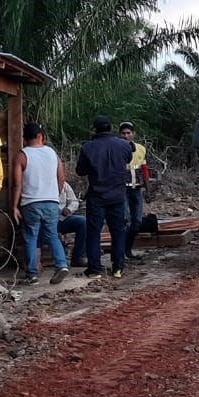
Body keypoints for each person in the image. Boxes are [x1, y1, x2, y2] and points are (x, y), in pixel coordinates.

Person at [75, 115, 133, 279]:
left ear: (95, 129)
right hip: (117, 195)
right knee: (118, 231)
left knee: (94, 232)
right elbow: (128, 159)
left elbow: (81, 171)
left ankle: (95, 269)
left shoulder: (88, 147)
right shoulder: (123, 145)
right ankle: (118, 267)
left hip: (97, 196)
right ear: (111, 128)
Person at [11, 123, 69, 285]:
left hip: (30, 203)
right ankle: (61, 264)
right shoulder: (52, 153)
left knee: (30, 237)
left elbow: (17, 184)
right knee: (52, 235)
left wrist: (15, 206)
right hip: (51, 202)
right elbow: (62, 178)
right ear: (40, 136)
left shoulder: (22, 156)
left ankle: (32, 274)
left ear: (25, 138)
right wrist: (54, 195)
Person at [118, 121, 151, 258]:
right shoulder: (116, 148)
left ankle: (128, 249)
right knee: (124, 220)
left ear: (133, 134)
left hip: (136, 189)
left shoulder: (140, 149)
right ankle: (121, 252)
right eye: (123, 133)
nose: (126, 136)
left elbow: (144, 170)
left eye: (128, 133)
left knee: (137, 221)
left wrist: (148, 189)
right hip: (122, 189)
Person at [40, 180, 87, 268]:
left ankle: (78, 257)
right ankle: (58, 261)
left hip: (62, 219)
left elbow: (74, 201)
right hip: (46, 220)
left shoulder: (64, 185)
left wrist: (69, 209)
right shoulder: (41, 184)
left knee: (83, 222)